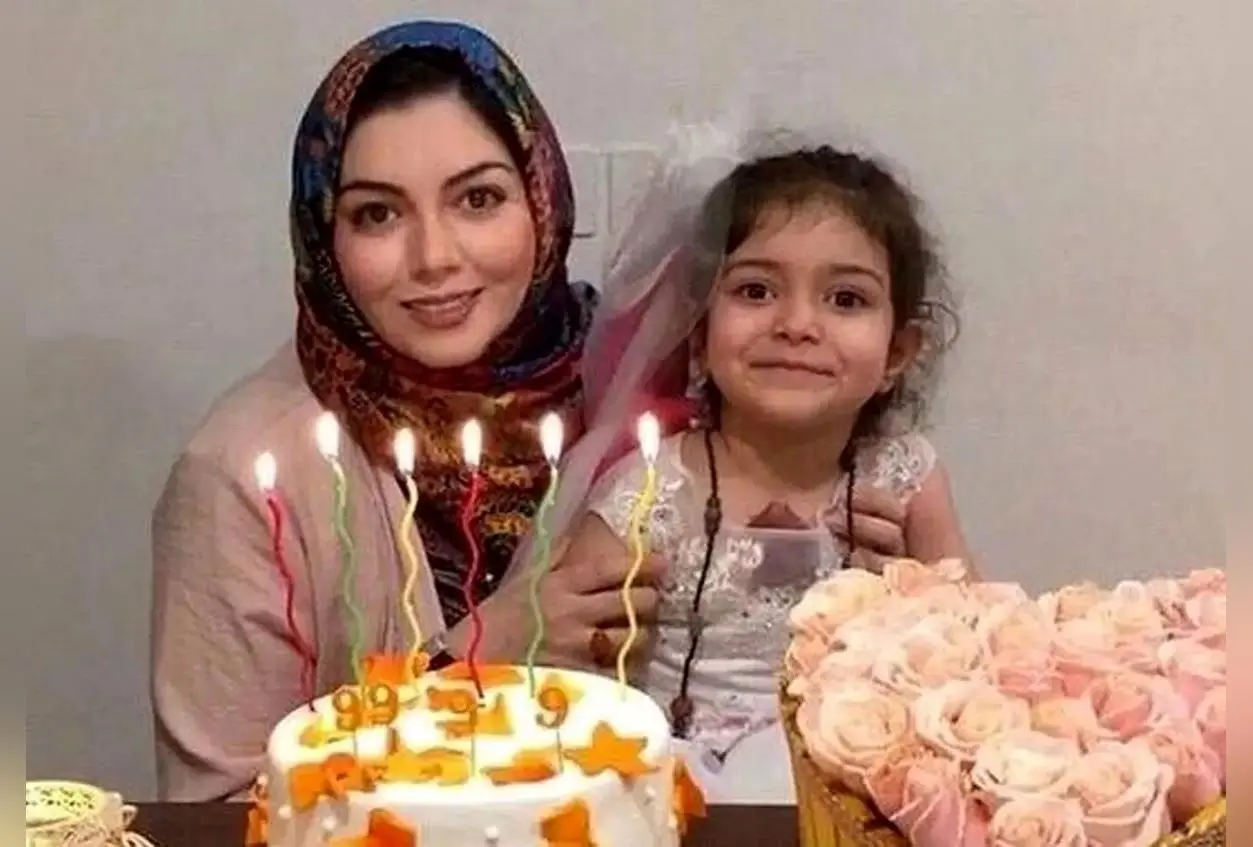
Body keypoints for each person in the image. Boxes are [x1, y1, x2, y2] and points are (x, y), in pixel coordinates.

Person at [148, 20, 667, 801]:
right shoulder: (241, 475)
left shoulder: (627, 384)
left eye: (478, 199)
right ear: (323, 236)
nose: (434, 257)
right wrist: (469, 662)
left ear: (541, 198)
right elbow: (218, 814)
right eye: (377, 214)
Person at [556, 134, 970, 804]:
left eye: (845, 299)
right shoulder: (651, 489)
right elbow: (568, 672)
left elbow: (976, 644)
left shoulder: (904, 479)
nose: (797, 323)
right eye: (755, 290)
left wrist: (912, 600)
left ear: (897, 352)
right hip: (679, 793)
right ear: (698, 332)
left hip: (847, 799)